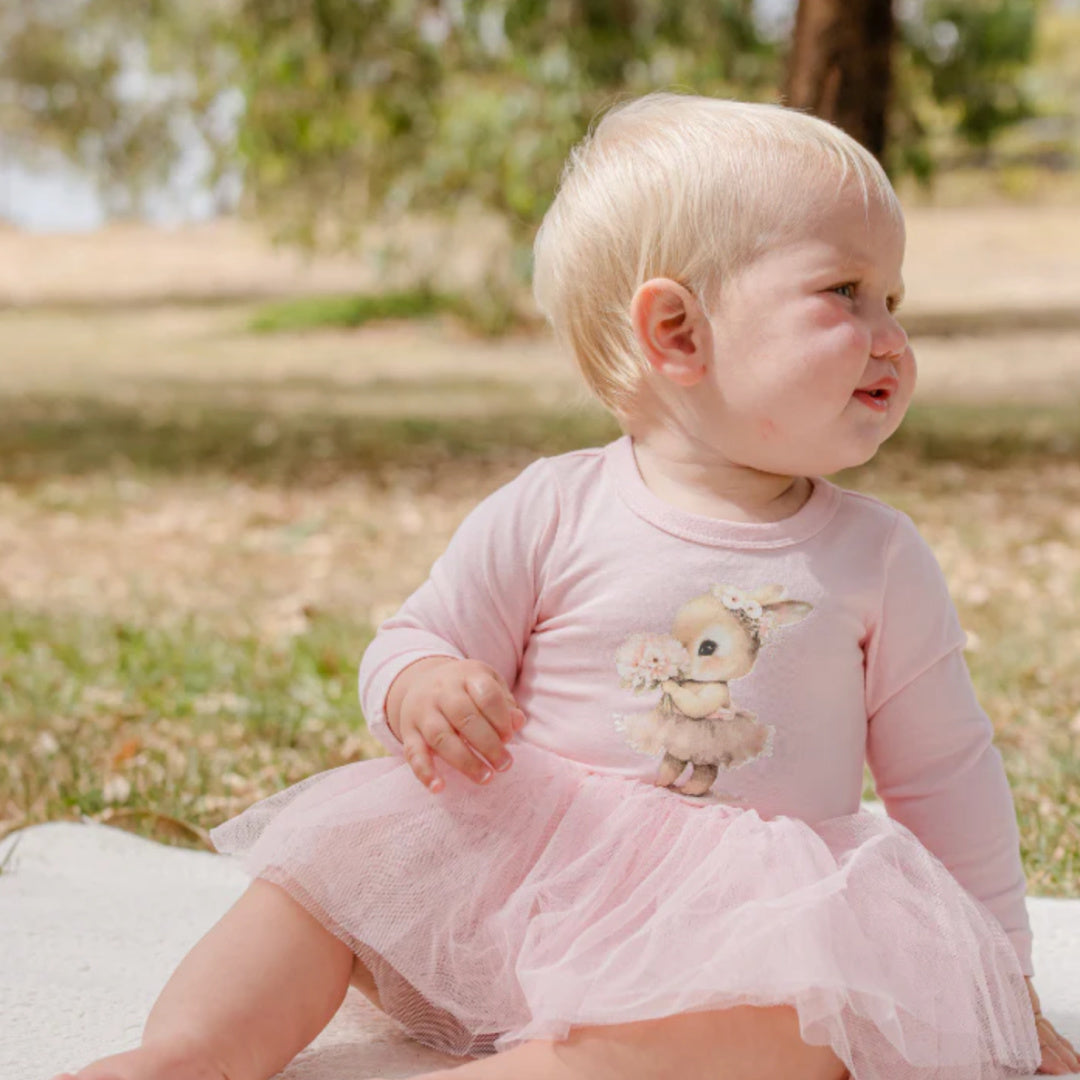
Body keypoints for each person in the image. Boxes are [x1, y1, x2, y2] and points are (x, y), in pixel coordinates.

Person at [57, 93, 1080, 1080]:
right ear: (677, 332)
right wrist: (421, 686)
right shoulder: (555, 508)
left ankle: (549, 1069)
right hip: (521, 888)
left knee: (798, 1030)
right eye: (845, 292)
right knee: (319, 887)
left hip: (731, 937)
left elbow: (946, 776)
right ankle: (189, 1054)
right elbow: (414, 637)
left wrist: (1000, 977)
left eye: (894, 300)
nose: (891, 335)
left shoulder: (877, 557)